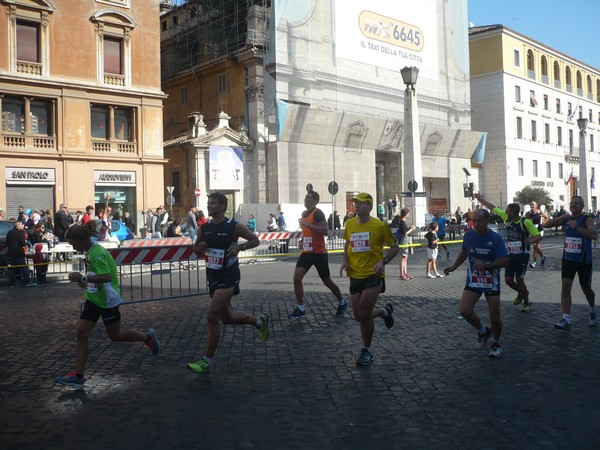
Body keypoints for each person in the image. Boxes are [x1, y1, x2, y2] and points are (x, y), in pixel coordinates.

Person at [55, 222, 160, 388]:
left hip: (107, 301)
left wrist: (83, 279)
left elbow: (106, 277)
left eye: (73, 243)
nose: (72, 246)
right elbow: (94, 275)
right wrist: (85, 282)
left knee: (115, 335)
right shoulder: (89, 251)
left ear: (81, 240)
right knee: (81, 333)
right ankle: (78, 376)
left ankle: (147, 337)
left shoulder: (97, 253)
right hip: (93, 298)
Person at [188, 192, 268, 374]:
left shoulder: (234, 226)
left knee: (211, 315)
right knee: (228, 317)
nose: (209, 206)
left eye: (213, 203)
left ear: (223, 206)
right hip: (213, 276)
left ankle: (206, 361)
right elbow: (196, 247)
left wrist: (240, 246)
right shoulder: (204, 228)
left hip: (229, 276)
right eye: (208, 203)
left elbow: (255, 240)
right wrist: (199, 247)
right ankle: (259, 321)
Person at [340, 192, 399, 366]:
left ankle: (367, 350)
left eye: (360, 203)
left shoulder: (379, 225)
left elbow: (395, 247)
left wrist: (384, 261)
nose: (356, 206)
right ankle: (384, 312)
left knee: (365, 313)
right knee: (359, 316)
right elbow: (347, 243)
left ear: (370, 206)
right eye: (355, 203)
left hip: (374, 275)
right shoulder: (350, 223)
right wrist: (345, 260)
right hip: (355, 275)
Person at [444, 209, 508, 358]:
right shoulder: (469, 235)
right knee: (465, 311)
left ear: (487, 221)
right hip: (474, 280)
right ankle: (483, 331)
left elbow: (505, 261)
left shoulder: (496, 238)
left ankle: (496, 343)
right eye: (474, 221)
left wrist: (487, 265)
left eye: (479, 221)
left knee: (495, 317)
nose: (476, 224)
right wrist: (453, 267)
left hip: (491, 282)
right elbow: (464, 252)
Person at [476, 194, 542, 312]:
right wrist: (480, 200)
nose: (505, 213)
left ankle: (527, 303)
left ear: (513, 212)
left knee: (519, 279)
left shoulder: (525, 222)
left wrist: (530, 240)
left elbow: (538, 236)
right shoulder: (507, 219)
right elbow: (493, 208)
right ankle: (522, 293)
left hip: (523, 254)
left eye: (507, 211)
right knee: (508, 280)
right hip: (511, 254)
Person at [289, 190, 348, 319]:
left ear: (315, 200)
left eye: (308, 197)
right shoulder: (304, 214)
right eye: (305, 197)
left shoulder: (318, 213)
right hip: (307, 252)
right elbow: (307, 232)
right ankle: (300, 308)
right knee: (296, 278)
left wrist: (307, 224)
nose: (305, 199)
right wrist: (302, 241)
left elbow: (325, 231)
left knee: (327, 281)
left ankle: (342, 302)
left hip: (319, 253)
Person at [542, 196, 597, 330]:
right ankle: (566, 319)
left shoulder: (586, 219)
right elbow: (545, 225)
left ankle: (592, 310)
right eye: (571, 203)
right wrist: (558, 219)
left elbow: (594, 235)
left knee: (586, 289)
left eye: (576, 203)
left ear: (582, 206)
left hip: (584, 260)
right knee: (565, 287)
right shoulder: (566, 218)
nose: (573, 205)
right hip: (568, 259)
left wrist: (577, 227)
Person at [7, 221, 36, 288]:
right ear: (18, 225)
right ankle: (27, 281)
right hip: (18, 253)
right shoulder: (20, 232)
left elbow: (7, 242)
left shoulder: (9, 232)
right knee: (24, 268)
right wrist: (26, 244)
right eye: (22, 225)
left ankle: (12, 283)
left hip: (11, 253)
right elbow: (22, 243)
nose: (23, 226)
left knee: (12, 269)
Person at [525, 201, 548, 268]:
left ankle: (534, 262)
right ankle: (543, 257)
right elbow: (525, 221)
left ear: (536, 205)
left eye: (533, 205)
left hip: (539, 230)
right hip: (532, 230)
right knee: (537, 246)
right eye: (530, 205)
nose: (531, 206)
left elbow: (546, 218)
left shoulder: (540, 212)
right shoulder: (528, 213)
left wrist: (542, 224)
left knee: (535, 245)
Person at [396, 207, 416, 280]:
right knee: (403, 257)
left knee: (405, 257)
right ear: (406, 214)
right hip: (404, 241)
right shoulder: (402, 222)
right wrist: (411, 229)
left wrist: (409, 228)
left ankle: (405, 273)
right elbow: (405, 233)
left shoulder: (402, 222)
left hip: (405, 240)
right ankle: (402, 274)